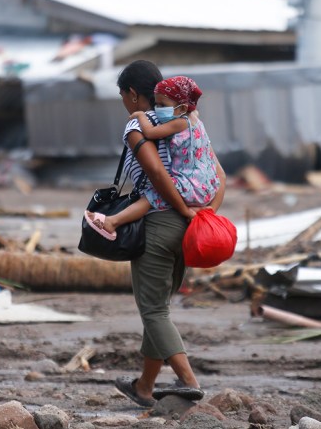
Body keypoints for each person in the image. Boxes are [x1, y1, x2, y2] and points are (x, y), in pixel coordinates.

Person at [107, 60, 227, 408]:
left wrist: (180, 209)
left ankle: (189, 381)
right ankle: (144, 386)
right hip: (187, 228)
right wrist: (202, 215)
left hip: (160, 223)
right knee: (158, 307)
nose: (124, 102)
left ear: (132, 94)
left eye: (122, 94)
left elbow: (157, 173)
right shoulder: (191, 122)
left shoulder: (136, 124)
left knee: (153, 310)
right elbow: (218, 175)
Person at [84, 75, 219, 240]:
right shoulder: (195, 120)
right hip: (206, 186)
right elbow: (222, 175)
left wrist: (140, 116)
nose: (157, 109)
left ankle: (113, 221)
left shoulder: (180, 122)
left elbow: (150, 135)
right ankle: (195, 209)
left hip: (189, 185)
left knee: (151, 195)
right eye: (156, 104)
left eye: (162, 105)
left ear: (183, 109)